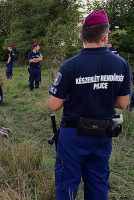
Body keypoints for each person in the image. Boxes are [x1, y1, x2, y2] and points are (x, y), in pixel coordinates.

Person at [49, 10, 131, 200]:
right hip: (102, 134)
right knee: (97, 183)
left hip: (73, 135)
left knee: (67, 185)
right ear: (105, 36)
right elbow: (122, 103)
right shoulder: (121, 64)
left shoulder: (70, 66)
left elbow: (54, 104)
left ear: (81, 36)